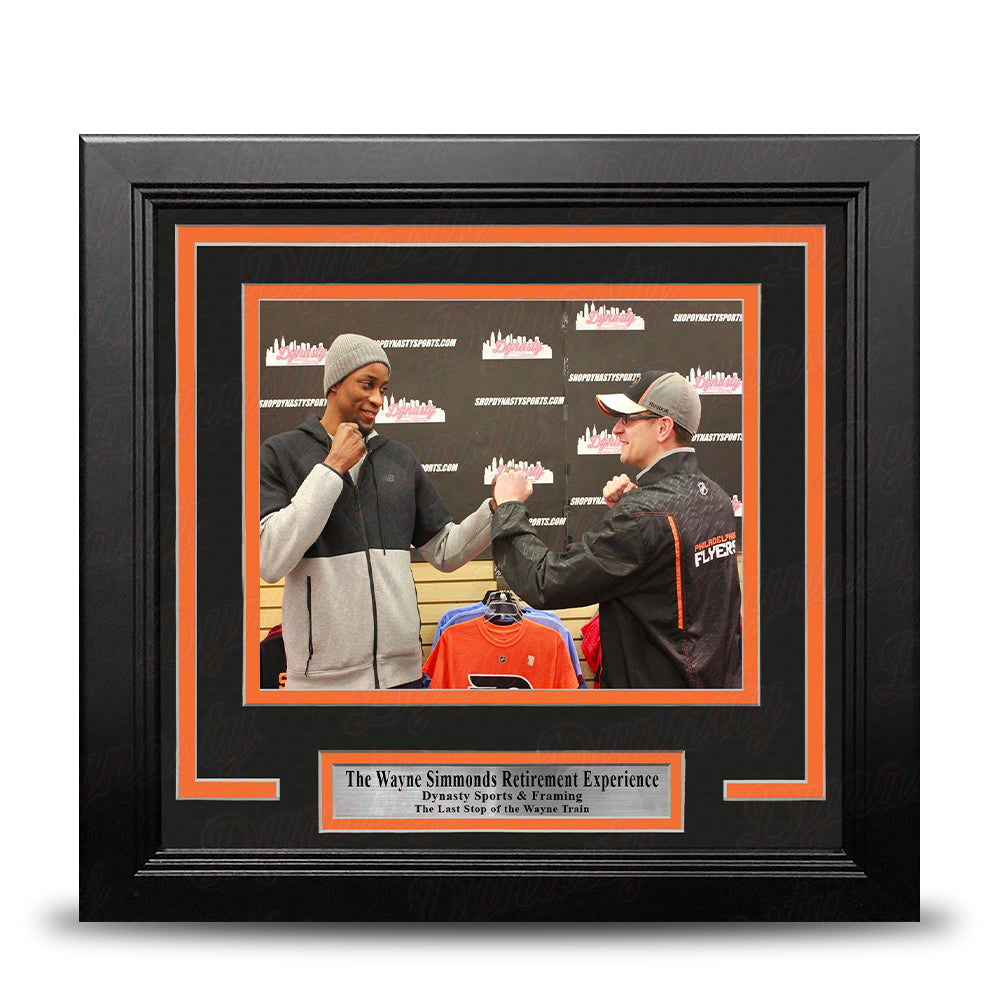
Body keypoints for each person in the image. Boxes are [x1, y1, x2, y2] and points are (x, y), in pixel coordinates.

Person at [259, 334, 493, 690]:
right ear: (334, 384)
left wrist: (495, 509)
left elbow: (445, 551)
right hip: (322, 686)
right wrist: (332, 468)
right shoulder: (281, 453)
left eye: (383, 389)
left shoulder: (399, 459)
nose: (378, 399)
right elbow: (270, 558)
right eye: (367, 385)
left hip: (404, 679)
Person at [491, 370, 742, 688]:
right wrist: (633, 505)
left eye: (627, 419)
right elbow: (676, 585)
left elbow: (545, 582)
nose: (616, 429)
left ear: (663, 427)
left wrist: (509, 506)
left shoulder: (643, 516)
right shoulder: (716, 498)